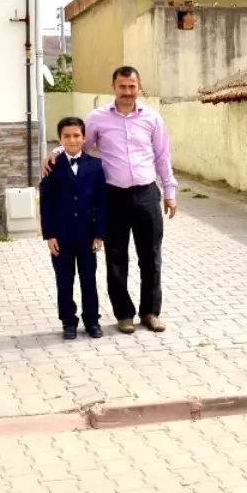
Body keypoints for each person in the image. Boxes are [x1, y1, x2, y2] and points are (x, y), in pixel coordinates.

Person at [42, 66, 177, 334]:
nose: (127, 92)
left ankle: (150, 312)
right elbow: (78, 141)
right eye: (122, 86)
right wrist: (55, 153)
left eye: (131, 86)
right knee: (116, 258)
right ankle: (124, 315)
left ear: (140, 88)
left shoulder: (152, 118)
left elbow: (162, 157)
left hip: (147, 194)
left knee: (151, 257)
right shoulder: (98, 118)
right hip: (113, 196)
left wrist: (170, 192)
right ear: (114, 87)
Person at [39, 117, 107, 340]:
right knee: (64, 280)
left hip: (87, 235)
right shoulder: (52, 166)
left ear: (84, 137)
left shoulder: (95, 166)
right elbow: (46, 203)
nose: (72, 140)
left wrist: (99, 233)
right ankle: (68, 321)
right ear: (60, 139)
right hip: (62, 234)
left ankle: (92, 321)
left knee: (88, 278)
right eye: (67, 136)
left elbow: (101, 201)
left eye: (77, 135)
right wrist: (49, 235)